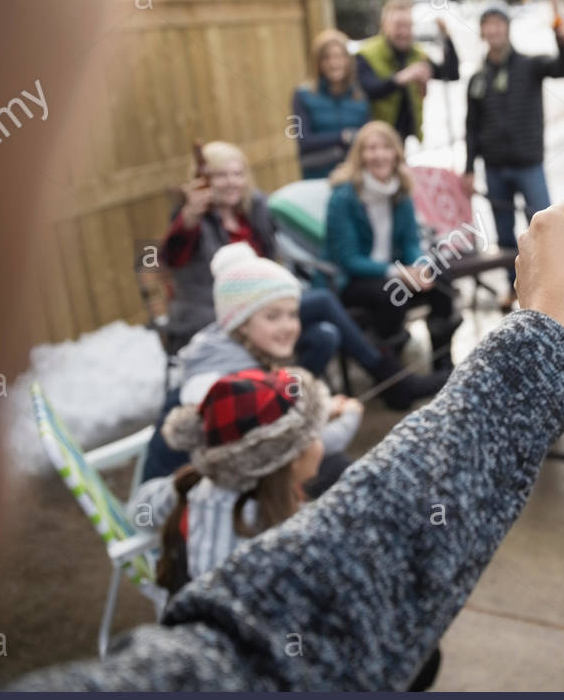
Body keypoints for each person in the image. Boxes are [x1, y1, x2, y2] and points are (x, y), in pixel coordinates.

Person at [6, 189, 564, 690]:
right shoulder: (227, 487)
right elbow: (287, 641)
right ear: (275, 465)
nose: (322, 447)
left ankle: (391, 377)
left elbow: (268, 640)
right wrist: (543, 331)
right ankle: (395, 378)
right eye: (273, 317)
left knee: (331, 339)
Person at [160, 140, 443, 408]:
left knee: (325, 335)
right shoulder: (193, 221)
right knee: (321, 300)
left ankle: (285, 401)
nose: (231, 182)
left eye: (237, 174)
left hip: (263, 311)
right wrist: (187, 219)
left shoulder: (254, 211)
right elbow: (172, 257)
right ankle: (389, 376)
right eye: (221, 175)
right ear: (204, 180)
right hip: (215, 317)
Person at [141, 242, 367, 486]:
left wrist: (324, 408)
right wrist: (348, 418)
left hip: (220, 486)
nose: (288, 326)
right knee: (334, 470)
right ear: (242, 323)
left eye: (292, 314)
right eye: (272, 316)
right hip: (180, 505)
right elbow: (283, 451)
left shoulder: (237, 352)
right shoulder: (221, 382)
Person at [135, 366, 333, 596]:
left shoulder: (196, 483)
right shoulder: (256, 544)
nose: (322, 442)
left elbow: (140, 508)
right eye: (317, 434)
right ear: (292, 458)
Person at [464, 1, 564, 307]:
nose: (494, 30)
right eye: (488, 25)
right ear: (483, 32)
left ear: (507, 28)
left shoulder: (529, 65)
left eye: (499, 23)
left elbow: (563, 67)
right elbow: (471, 127)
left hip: (529, 164)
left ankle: (551, 286)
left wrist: (563, 42)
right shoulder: (477, 78)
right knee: (503, 236)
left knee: (543, 225)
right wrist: (468, 167)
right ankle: (513, 287)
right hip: (494, 167)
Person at [324, 121, 460, 370]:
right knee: (391, 292)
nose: (379, 154)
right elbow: (349, 260)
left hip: (396, 269)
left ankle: (443, 361)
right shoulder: (342, 198)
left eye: (385, 147)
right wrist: (400, 272)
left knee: (441, 275)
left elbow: (410, 242)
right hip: (355, 278)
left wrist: (421, 267)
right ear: (360, 155)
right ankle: (391, 367)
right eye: (371, 148)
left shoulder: (401, 192)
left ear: (395, 153)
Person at [356, 0, 459, 144]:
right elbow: (369, 89)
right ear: (384, 25)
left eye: (408, 26)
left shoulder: (416, 54)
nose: (404, 32)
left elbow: (451, 73)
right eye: (398, 26)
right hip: (373, 137)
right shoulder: (366, 54)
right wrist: (401, 78)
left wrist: (447, 38)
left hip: (402, 137)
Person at [291, 29, 371, 179]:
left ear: (348, 60)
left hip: (355, 178)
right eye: (326, 58)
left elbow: (366, 136)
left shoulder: (359, 96)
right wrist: (343, 136)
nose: (334, 63)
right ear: (318, 62)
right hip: (318, 177)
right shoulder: (303, 96)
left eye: (339, 56)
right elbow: (304, 141)